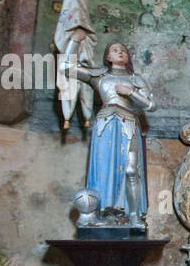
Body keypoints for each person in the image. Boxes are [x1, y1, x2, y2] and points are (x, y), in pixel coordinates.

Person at [61, 33, 155, 230]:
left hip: (128, 123)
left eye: (123, 50)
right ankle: (102, 212)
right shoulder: (100, 76)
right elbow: (67, 68)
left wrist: (131, 92)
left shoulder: (135, 78)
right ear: (108, 57)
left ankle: (134, 215)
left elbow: (151, 105)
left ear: (127, 57)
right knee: (104, 168)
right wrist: (75, 41)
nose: (119, 52)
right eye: (115, 50)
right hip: (105, 125)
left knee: (131, 170)